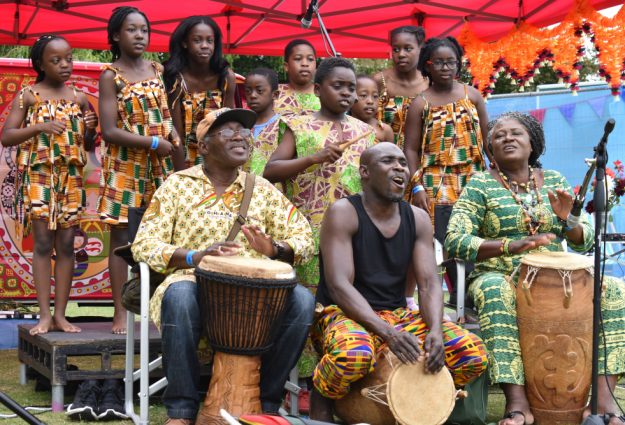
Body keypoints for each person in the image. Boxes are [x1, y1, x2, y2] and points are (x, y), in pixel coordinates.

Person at [131, 108, 316, 424]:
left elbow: (305, 239)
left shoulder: (263, 191)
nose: (240, 136)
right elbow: (144, 245)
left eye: (244, 131)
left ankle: (266, 404)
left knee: (302, 300)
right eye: (228, 131)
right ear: (204, 147)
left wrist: (275, 248)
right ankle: (181, 410)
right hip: (193, 283)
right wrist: (195, 256)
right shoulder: (177, 186)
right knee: (179, 296)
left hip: (256, 298)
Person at [445, 112, 625, 425]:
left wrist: (568, 221)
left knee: (614, 289)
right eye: (499, 136)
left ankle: (603, 404)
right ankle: (518, 405)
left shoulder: (554, 180)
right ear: (491, 149)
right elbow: (455, 240)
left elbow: (585, 241)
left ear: (533, 144)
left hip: (557, 281)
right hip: (501, 275)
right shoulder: (480, 185)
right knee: (494, 289)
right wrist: (508, 245)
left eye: (516, 133)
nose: (507, 139)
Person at [310, 143, 488, 422]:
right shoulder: (344, 212)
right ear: (365, 173)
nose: (399, 168)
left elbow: (429, 284)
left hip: (396, 316)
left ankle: (415, 407)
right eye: (388, 162)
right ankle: (321, 400)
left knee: (472, 354)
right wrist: (388, 333)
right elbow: (338, 286)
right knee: (354, 355)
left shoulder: (417, 219)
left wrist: (436, 332)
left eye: (403, 163)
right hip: (342, 314)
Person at [1, 35, 98, 335]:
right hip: (40, 177)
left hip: (71, 179)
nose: (65, 65)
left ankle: (61, 315)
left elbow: (88, 145)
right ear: (41, 64)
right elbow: (7, 136)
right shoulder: (29, 96)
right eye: (56, 60)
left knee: (67, 245)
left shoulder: (80, 98)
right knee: (43, 244)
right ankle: (44, 315)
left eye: (68, 58)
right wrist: (40, 127)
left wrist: (91, 131)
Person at [98, 6, 179, 334]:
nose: (140, 35)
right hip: (125, 166)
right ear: (117, 35)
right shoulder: (109, 75)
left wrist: (171, 134)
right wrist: (152, 143)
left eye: (144, 29)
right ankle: (120, 313)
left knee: (159, 236)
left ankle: (157, 309)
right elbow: (109, 130)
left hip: (159, 166)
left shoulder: (157, 69)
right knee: (121, 238)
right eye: (132, 30)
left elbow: (165, 114)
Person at [264, 57, 375, 289]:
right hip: (308, 231)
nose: (346, 93)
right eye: (338, 86)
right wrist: (313, 158)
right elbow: (270, 170)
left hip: (354, 232)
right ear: (317, 89)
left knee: (348, 297)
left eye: (351, 88)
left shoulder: (365, 132)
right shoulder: (299, 126)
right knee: (310, 299)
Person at [164, 15, 236, 170]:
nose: (205, 46)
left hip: (217, 155)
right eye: (197, 40)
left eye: (210, 41)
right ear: (184, 43)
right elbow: (174, 131)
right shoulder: (175, 78)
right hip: (179, 156)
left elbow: (227, 124)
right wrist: (181, 175)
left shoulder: (225, 77)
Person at [373, 26, 428, 149]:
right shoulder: (380, 81)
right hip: (384, 156)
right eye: (396, 49)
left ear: (420, 49)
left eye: (408, 49)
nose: (401, 54)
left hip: (422, 158)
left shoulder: (429, 83)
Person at [243, 67, 284, 177]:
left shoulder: (283, 126)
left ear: (274, 94)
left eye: (259, 91)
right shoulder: (241, 125)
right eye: (248, 91)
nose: (253, 95)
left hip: (273, 190)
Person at [274, 39, 320, 116]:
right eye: (298, 59)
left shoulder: (325, 94)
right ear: (286, 66)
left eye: (310, 59)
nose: (305, 64)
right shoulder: (274, 93)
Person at [350, 74, 394, 143]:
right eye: (363, 95)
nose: (370, 101)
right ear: (350, 97)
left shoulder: (384, 130)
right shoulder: (342, 126)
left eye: (375, 96)